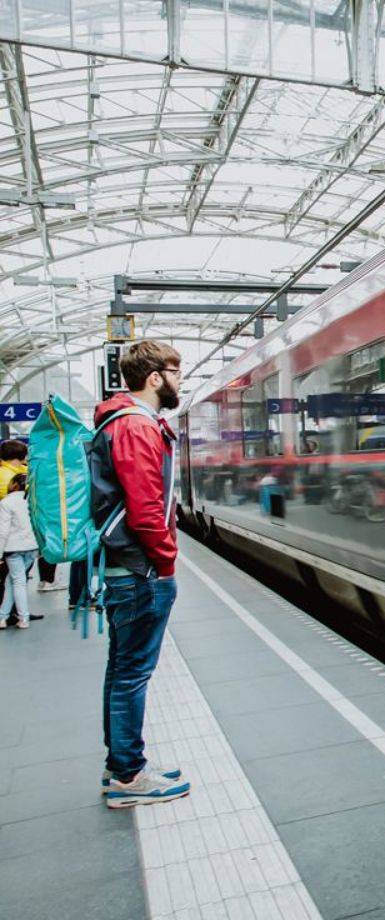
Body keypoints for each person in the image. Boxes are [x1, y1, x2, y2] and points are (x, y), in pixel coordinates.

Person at [91, 340, 190, 808]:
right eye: (176, 372)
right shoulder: (136, 426)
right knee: (131, 674)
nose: (179, 380)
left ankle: (122, 765)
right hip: (140, 571)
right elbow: (147, 509)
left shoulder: (123, 421)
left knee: (122, 671)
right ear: (155, 378)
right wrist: (165, 561)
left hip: (128, 568)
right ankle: (128, 778)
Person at [0, 472, 38, 629]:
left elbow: (3, 531)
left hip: (13, 548)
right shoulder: (34, 500)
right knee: (13, 580)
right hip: (32, 546)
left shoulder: (6, 502)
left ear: (13, 484)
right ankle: (2, 616)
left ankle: (23, 617)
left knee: (17, 582)